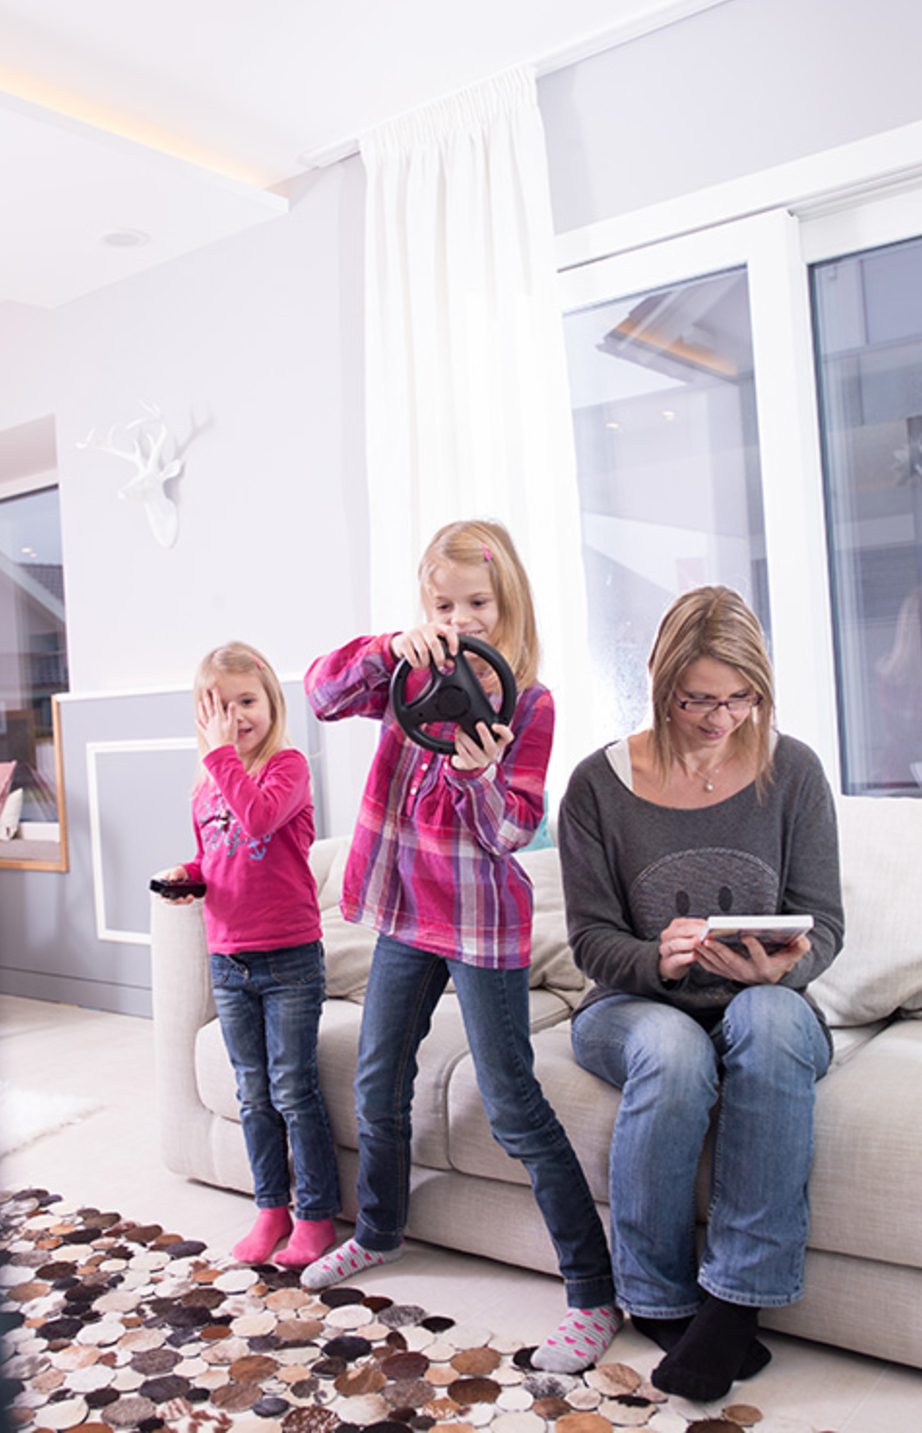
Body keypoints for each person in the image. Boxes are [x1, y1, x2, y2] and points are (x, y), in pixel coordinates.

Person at [301, 519, 620, 1374]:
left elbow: (515, 827)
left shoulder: (531, 702)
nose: (460, 615)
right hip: (405, 912)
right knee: (378, 1081)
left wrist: (479, 776)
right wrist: (383, 648)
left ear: (505, 602)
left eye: (476, 602)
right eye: (443, 602)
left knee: (513, 1101)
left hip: (481, 922)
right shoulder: (407, 673)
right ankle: (377, 1230)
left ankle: (592, 1289)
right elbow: (322, 695)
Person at [558, 585, 843, 1403]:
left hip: (765, 1004)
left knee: (766, 1017)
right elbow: (590, 942)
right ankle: (654, 1296)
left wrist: (783, 966)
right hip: (634, 1005)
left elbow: (824, 921)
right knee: (676, 1050)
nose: (721, 718)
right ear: (659, 680)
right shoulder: (596, 787)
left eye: (740, 697)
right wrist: (663, 959)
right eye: (697, 699)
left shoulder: (792, 771)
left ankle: (734, 1301)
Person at [157, 642, 339, 1270]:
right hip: (228, 959)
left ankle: (315, 1215)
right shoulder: (204, 788)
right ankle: (271, 1208)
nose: (235, 716)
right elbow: (218, 857)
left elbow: (259, 821)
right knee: (252, 1092)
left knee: (293, 1088)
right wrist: (191, 874)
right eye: (220, 706)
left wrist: (221, 757)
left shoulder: (288, 767)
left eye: (247, 702)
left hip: (288, 957)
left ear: (272, 704)